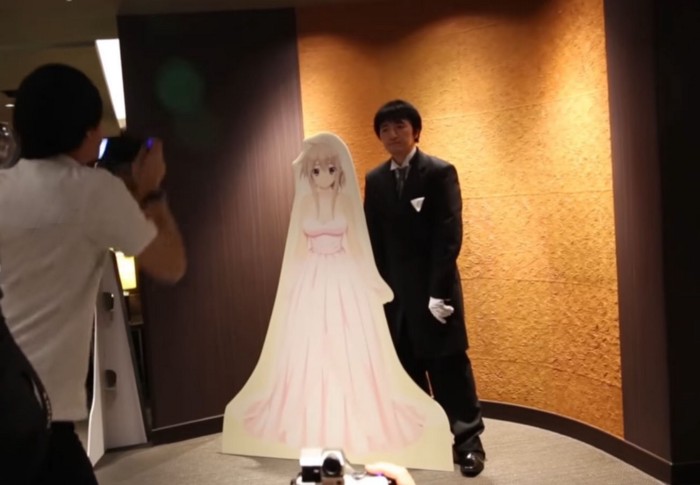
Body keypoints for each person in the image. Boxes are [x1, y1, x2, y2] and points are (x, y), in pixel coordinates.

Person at [0, 63, 186, 484]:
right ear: (86, 133)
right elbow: (171, 263)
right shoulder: (93, 192)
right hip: (40, 418)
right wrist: (152, 189)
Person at [242, 133, 426, 455]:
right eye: (316, 170)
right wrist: (290, 288)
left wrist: (371, 279)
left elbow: (357, 246)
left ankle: (355, 413)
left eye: (330, 168)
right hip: (311, 279)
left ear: (339, 170)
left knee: (346, 342)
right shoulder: (303, 205)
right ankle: (308, 415)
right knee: (310, 346)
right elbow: (296, 250)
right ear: (309, 173)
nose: (324, 176)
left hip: (343, 277)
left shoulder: (345, 203)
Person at [364, 100, 486, 477]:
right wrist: (376, 291)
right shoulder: (375, 180)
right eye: (385, 129)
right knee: (407, 371)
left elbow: (449, 237)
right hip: (395, 297)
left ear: (416, 131)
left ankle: (468, 444)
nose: (392, 135)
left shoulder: (439, 172)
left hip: (436, 292)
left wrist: (438, 293)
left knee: (449, 369)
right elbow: (373, 239)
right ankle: (421, 442)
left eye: (399, 126)